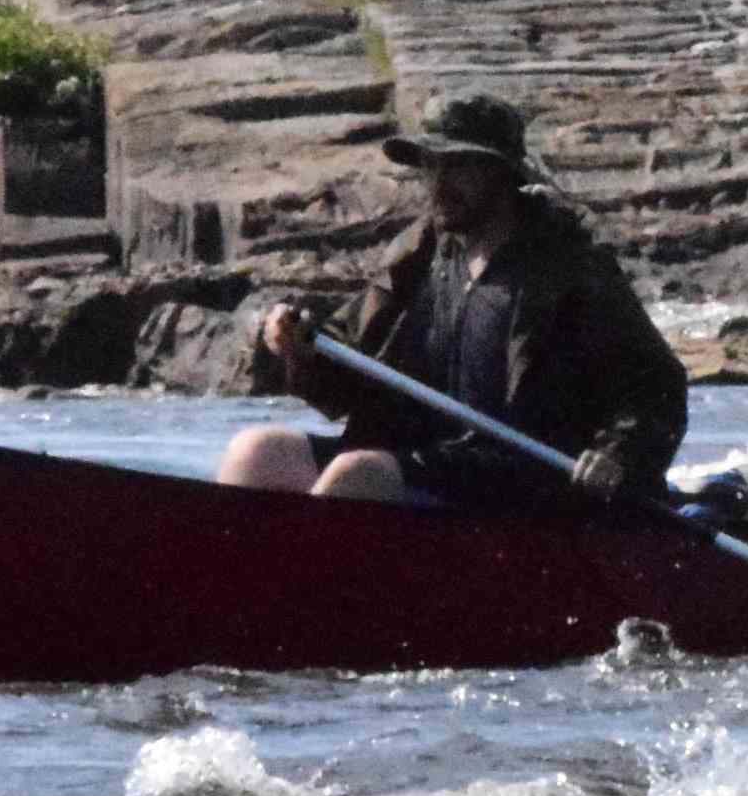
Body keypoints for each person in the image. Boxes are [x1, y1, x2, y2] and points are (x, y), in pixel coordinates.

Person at [219, 95, 693, 511]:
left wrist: (617, 454)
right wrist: (299, 349)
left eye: (459, 166)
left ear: (502, 173)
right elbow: (349, 359)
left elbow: (658, 386)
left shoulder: (567, 266)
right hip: (423, 454)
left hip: (522, 472)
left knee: (358, 474)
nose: (439, 183)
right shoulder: (419, 252)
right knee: (258, 451)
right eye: (431, 166)